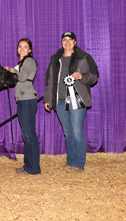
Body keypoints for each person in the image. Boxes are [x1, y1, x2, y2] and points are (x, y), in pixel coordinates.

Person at [43, 32, 99, 173]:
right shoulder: (56, 59)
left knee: (77, 132)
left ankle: (79, 164)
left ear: (75, 42)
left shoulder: (84, 58)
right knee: (68, 133)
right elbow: (49, 81)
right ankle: (71, 161)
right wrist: (48, 99)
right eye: (64, 40)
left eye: (70, 40)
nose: (67, 42)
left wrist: (82, 76)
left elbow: (94, 76)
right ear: (61, 42)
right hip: (60, 101)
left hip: (77, 101)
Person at [5, 38, 41, 175]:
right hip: (23, 101)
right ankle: (28, 165)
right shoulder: (21, 63)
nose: (22, 49)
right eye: (20, 46)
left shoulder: (29, 61)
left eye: (25, 47)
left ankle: (34, 168)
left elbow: (23, 77)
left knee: (29, 135)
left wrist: (10, 71)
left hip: (27, 101)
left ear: (30, 50)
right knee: (26, 135)